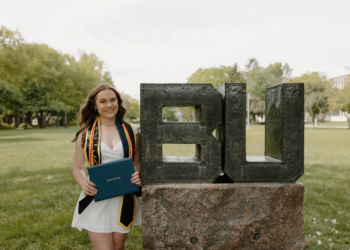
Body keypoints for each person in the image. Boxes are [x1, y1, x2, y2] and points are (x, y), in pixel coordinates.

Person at [71, 83, 141, 250]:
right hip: (97, 195)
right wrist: (84, 184)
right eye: (103, 101)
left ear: (118, 102)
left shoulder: (133, 131)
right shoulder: (85, 134)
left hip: (123, 197)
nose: (109, 105)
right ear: (95, 106)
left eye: (113, 100)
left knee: (118, 247)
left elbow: (136, 163)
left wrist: (138, 174)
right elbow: (77, 168)